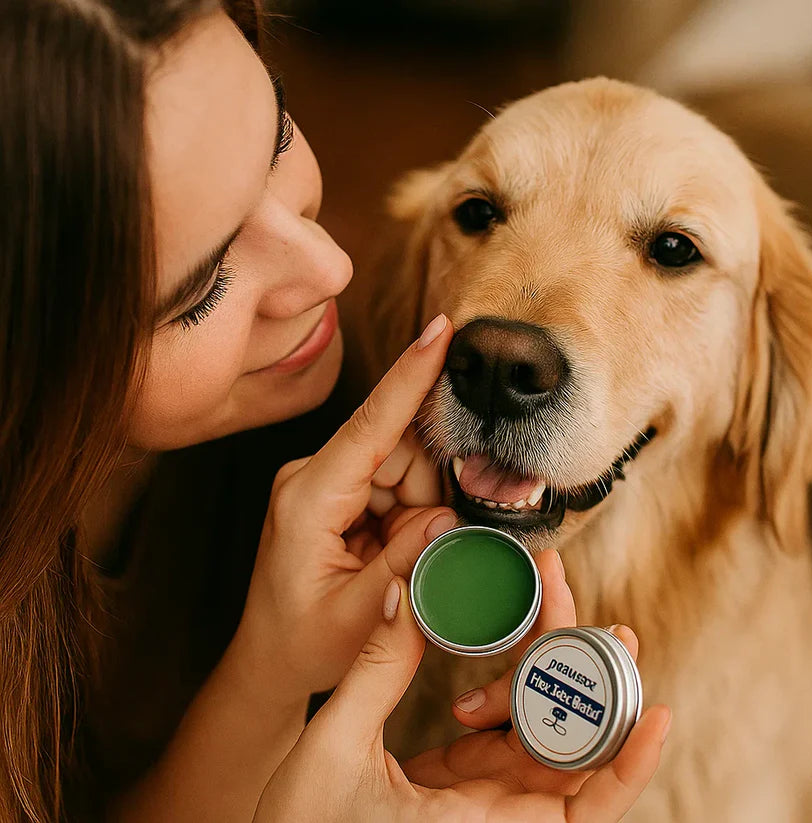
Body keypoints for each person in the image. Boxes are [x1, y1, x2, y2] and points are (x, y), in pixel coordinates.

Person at [0, 1, 671, 821]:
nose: (330, 267)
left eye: (276, 137)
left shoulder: (335, 419)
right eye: (200, 289)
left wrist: (270, 668)